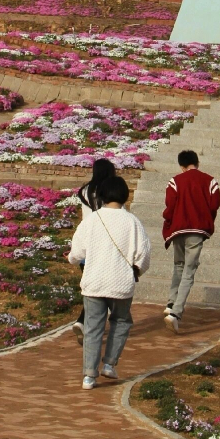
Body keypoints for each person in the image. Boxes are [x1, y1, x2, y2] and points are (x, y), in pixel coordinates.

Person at [68, 175, 151, 389]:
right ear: (125, 195)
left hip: (94, 281)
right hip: (121, 283)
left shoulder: (92, 220)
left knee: (93, 327)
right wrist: (137, 271)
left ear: (102, 196)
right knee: (121, 321)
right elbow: (143, 255)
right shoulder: (133, 222)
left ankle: (88, 375)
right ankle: (109, 364)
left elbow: (77, 252)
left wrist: (72, 259)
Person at [161, 150, 220, 331]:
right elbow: (214, 204)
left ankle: (171, 302)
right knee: (189, 270)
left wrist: (169, 220)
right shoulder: (210, 181)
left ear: (181, 165)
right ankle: (176, 313)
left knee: (178, 265)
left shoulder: (175, 181)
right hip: (196, 229)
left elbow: (169, 205)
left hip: (178, 228)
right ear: (197, 162)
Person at [70, 158, 117, 343]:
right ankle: (87, 324)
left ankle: (84, 323)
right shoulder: (109, 192)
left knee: (91, 290)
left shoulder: (85, 191)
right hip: (103, 247)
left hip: (86, 245)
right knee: (102, 291)